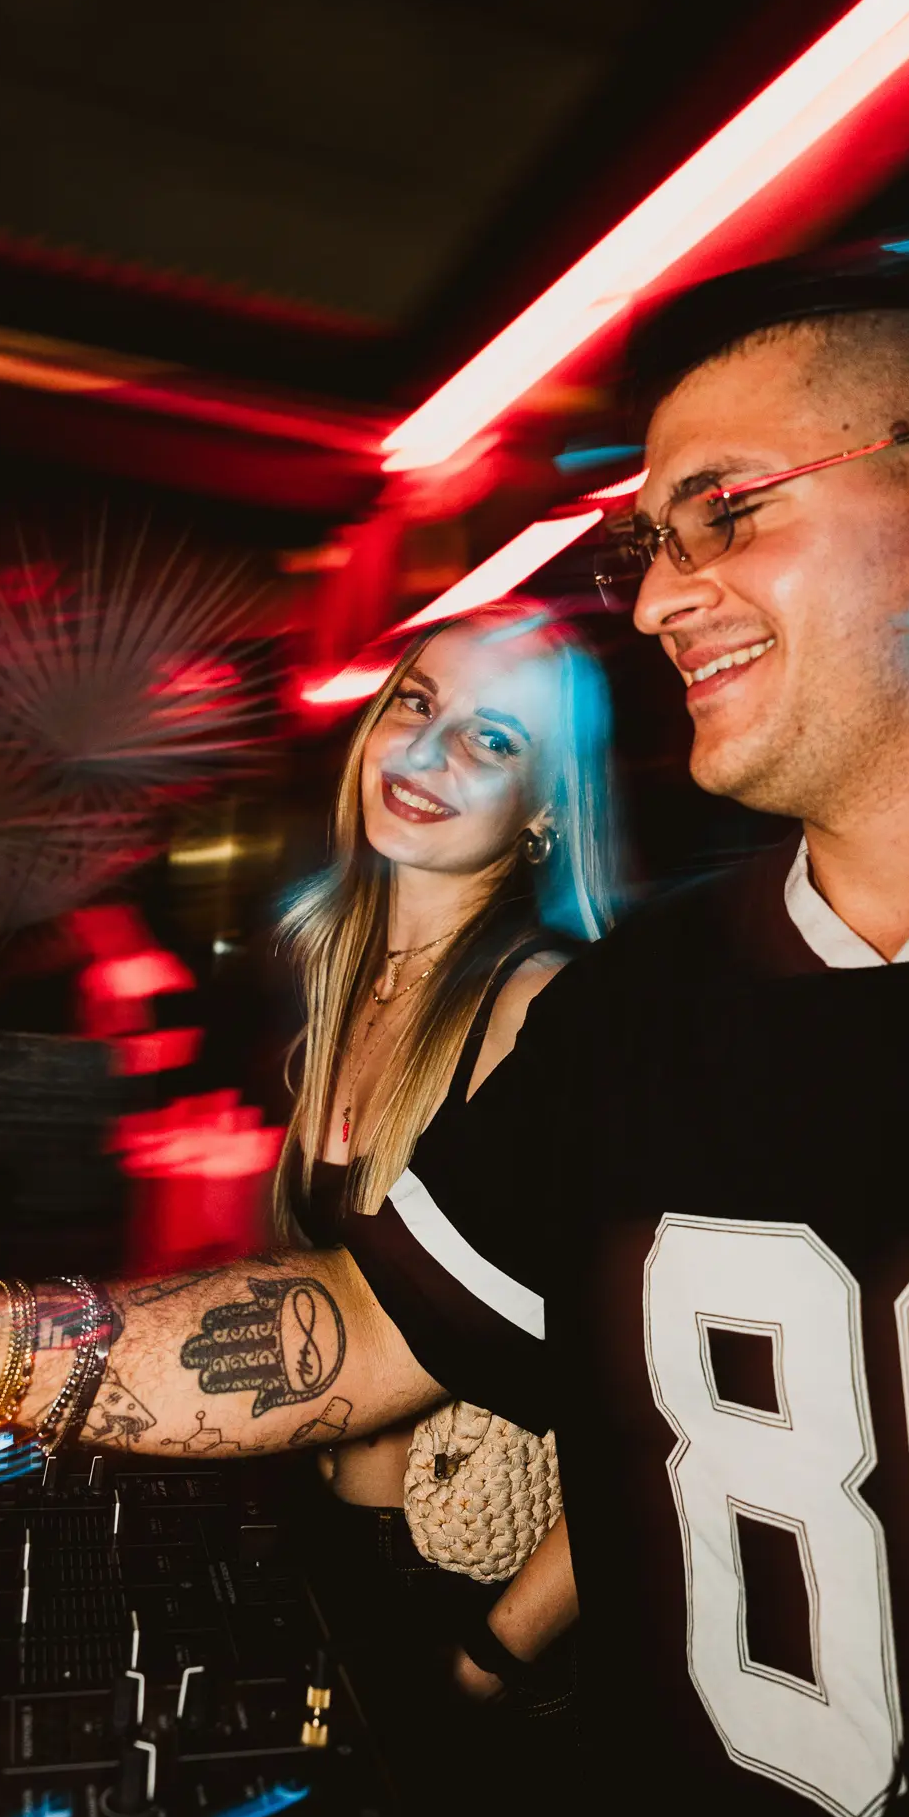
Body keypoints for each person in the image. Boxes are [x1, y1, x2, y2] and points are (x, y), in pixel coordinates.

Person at [0, 242, 909, 1817]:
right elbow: (354, 1329)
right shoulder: (645, 1004)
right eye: (649, 540)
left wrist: (480, 1655)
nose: (661, 596)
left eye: (728, 510)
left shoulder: (558, 994)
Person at [271, 607, 615, 1711]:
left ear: (546, 806)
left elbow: (651, 1408)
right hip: (332, 1544)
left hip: (465, 1589)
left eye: (491, 738)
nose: (424, 751)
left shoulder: (541, 1012)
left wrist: (489, 1657)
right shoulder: (344, 977)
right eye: (414, 704)